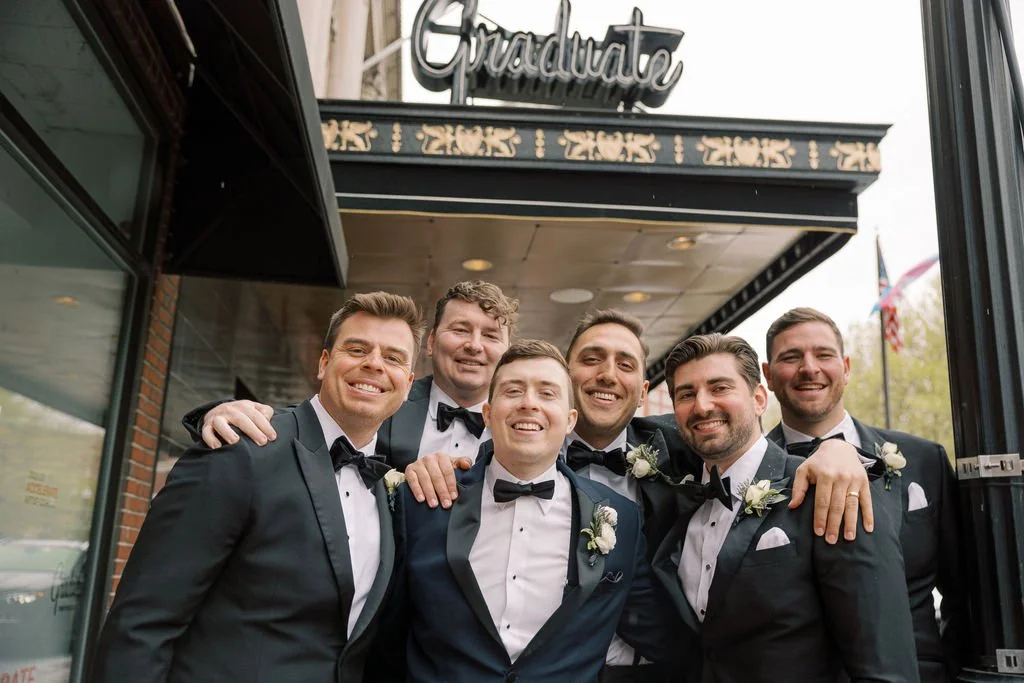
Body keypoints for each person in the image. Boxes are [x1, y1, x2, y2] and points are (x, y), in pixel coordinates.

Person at [405, 310, 877, 682]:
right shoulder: (439, 490)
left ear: (643, 389)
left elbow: (742, 444)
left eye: (625, 364)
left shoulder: (683, 446)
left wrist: (832, 449)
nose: (607, 375)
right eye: (591, 360)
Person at [91, 292, 424, 682]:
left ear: (408, 384)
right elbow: (141, 623)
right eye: (357, 349)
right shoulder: (242, 450)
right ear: (323, 362)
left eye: (393, 358)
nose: (374, 364)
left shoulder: (390, 486)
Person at [383, 339, 682, 682]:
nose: (529, 403)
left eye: (547, 393)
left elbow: (660, 634)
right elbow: (386, 635)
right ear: (488, 414)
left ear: (570, 420)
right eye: (513, 391)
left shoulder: (621, 519)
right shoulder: (424, 501)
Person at [653, 333, 919, 683]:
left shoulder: (829, 487)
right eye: (687, 394)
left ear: (759, 399)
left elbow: (885, 668)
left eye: (720, 388)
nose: (702, 406)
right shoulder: (676, 502)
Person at [761, 307, 965, 683]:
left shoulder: (924, 460)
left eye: (823, 354)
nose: (809, 368)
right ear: (768, 376)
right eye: (791, 357)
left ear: (846, 367)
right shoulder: (751, 474)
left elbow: (964, 593)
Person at [187, 280, 517, 470]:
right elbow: (308, 425)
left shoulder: (529, 424)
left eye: (490, 335)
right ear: (431, 342)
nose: (474, 345)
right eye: (460, 330)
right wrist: (218, 415)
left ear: (507, 352)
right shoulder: (379, 396)